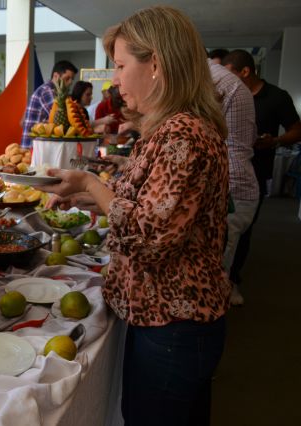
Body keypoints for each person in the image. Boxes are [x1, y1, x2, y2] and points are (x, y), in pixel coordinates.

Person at [39, 6, 229, 425]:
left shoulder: (182, 135)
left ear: (156, 64)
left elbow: (150, 237)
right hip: (172, 322)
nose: (115, 80)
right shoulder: (171, 129)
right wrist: (82, 197)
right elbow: (142, 207)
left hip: (173, 324)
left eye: (121, 66)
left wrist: (91, 184)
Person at [222, 49, 301, 295]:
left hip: (256, 170)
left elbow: (297, 130)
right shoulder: (227, 94)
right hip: (228, 170)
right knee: (225, 228)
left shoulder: (276, 97)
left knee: (243, 229)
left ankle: (233, 280)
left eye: (230, 75)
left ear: (245, 71)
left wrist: (275, 141)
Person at [208, 59, 260, 306]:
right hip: (239, 183)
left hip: (232, 187)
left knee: (215, 275)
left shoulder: (210, 82)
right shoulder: (225, 80)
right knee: (219, 268)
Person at [20, 60, 78, 148]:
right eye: (67, 78)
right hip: (33, 147)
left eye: (72, 79)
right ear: (56, 76)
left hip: (36, 146)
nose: (70, 82)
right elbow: (64, 119)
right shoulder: (47, 91)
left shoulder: (50, 91)